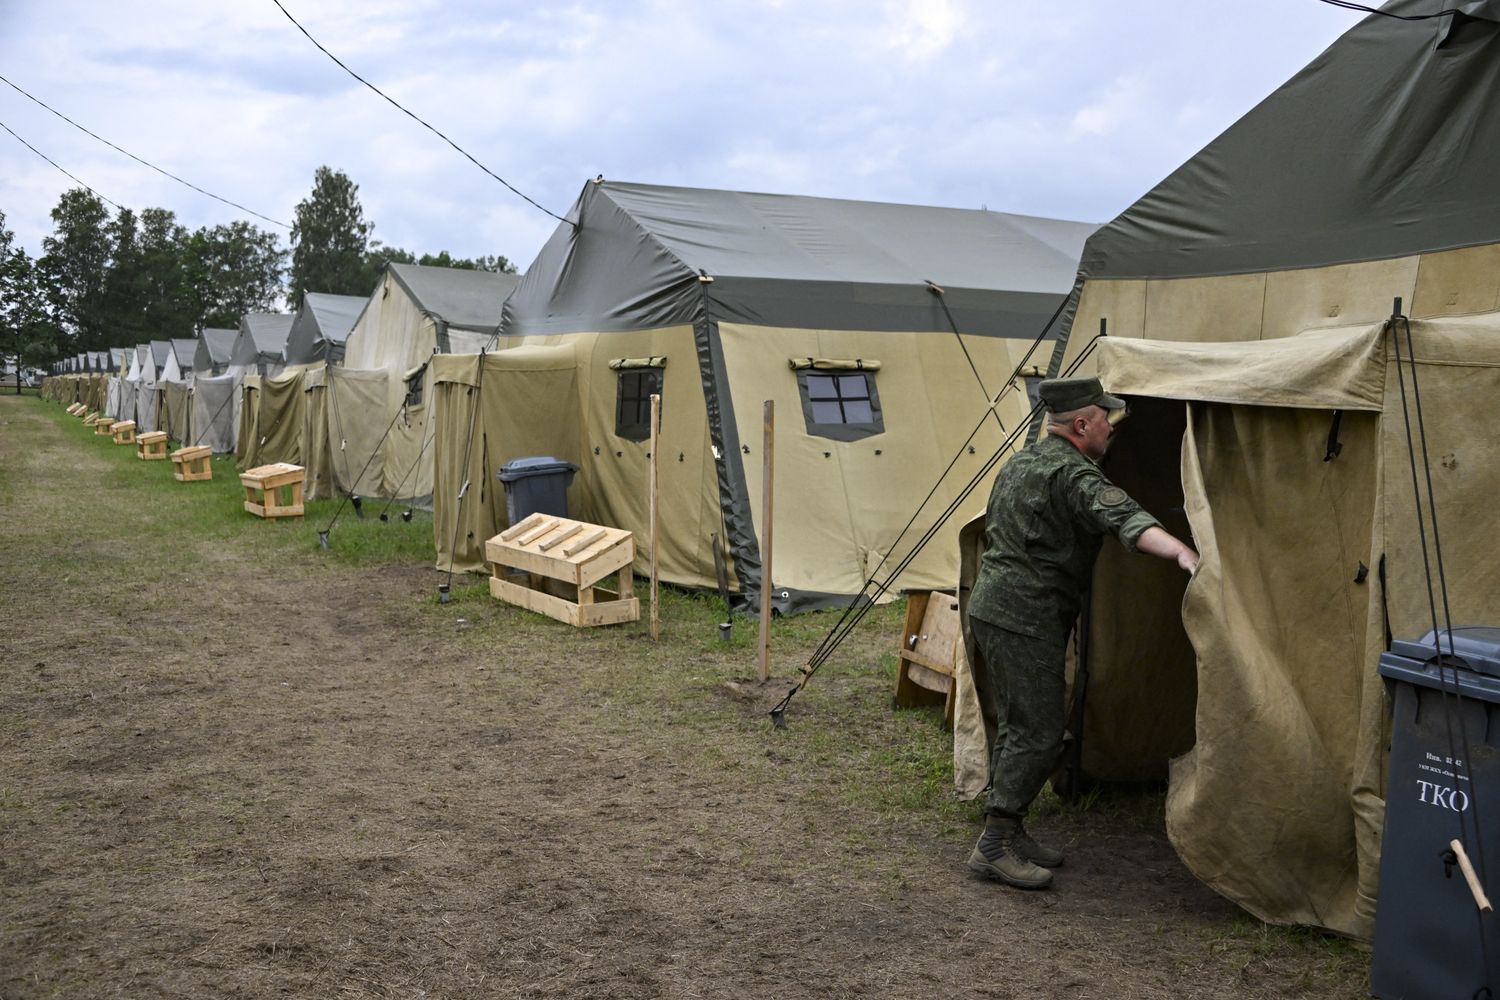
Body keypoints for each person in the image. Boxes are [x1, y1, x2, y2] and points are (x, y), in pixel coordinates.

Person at [965, 376, 1199, 889]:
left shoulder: (1022, 461)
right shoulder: (1074, 474)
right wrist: (1183, 552)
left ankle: (1010, 827)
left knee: (1018, 723)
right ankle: (994, 845)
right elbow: (1127, 519)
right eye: (1106, 422)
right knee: (1040, 730)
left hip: (991, 607)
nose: (1111, 432)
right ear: (1082, 424)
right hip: (1025, 617)